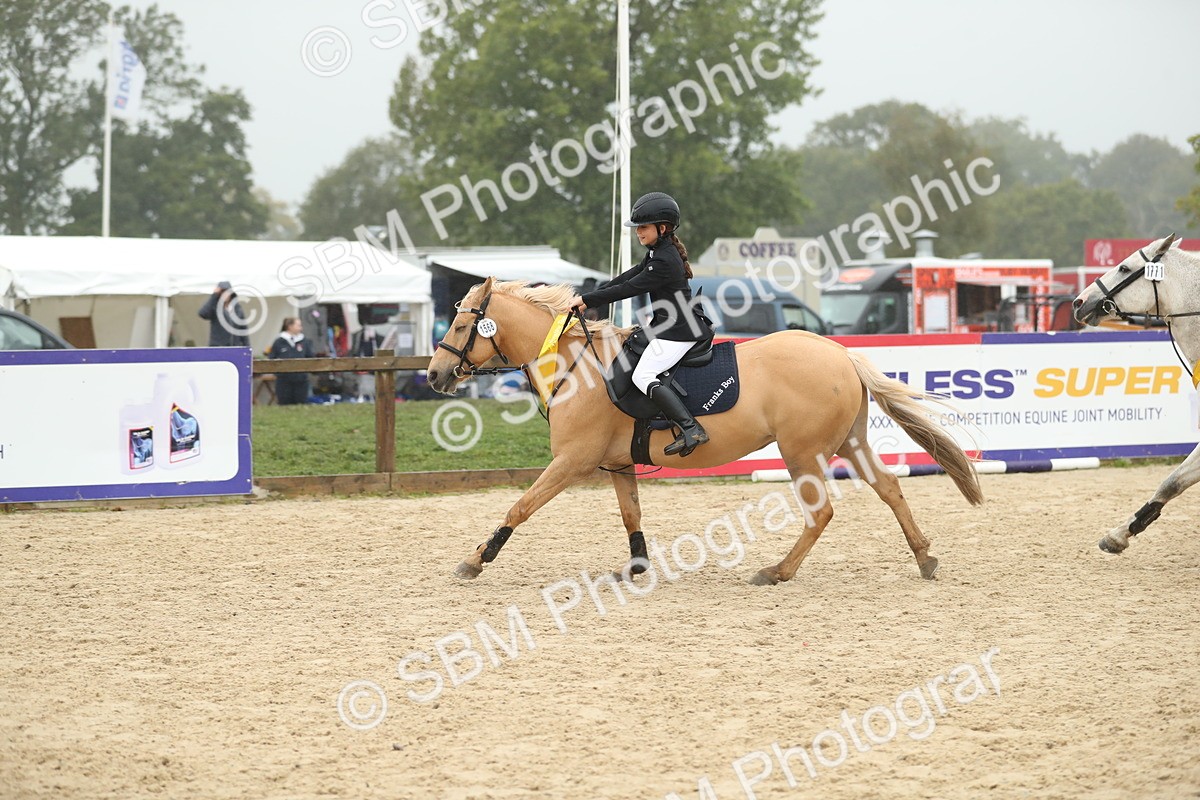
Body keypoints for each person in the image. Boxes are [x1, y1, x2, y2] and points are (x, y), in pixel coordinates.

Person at [569, 191, 713, 457]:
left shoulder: (664, 261)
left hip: (680, 332)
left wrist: (589, 301)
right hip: (668, 326)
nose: (638, 233)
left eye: (643, 228)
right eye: (637, 228)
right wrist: (591, 293)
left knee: (642, 375)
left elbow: (631, 288)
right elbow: (629, 276)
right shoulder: (657, 253)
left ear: (663, 227)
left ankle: (691, 428)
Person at [268, 317, 315, 405]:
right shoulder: (279, 341)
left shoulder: (304, 341)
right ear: (289, 326)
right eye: (298, 325)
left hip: (301, 380)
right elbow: (271, 359)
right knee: (284, 405)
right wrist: (278, 373)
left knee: (301, 405)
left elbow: (311, 357)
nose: (301, 328)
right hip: (284, 381)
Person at [198, 282, 250, 347]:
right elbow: (202, 313)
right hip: (218, 348)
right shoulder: (214, 308)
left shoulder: (238, 309)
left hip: (234, 348)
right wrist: (214, 295)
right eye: (222, 292)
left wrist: (248, 349)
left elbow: (243, 331)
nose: (225, 295)